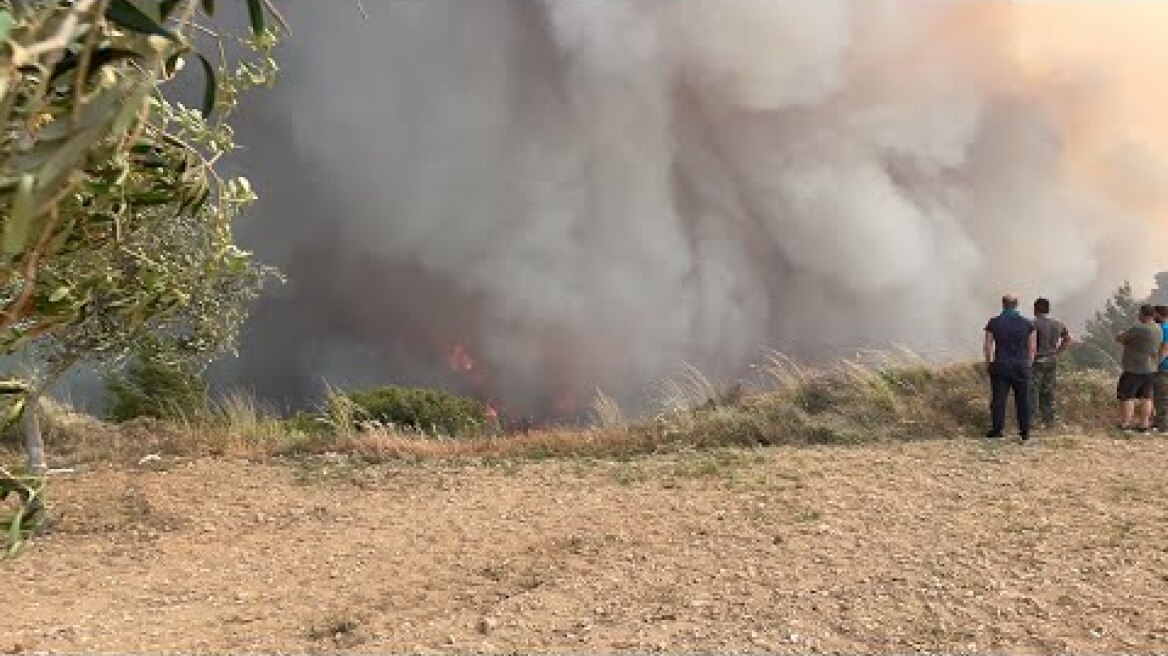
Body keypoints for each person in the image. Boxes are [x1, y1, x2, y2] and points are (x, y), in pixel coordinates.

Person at [984, 293, 1037, 440]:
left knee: (999, 400)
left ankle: (997, 430)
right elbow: (1032, 348)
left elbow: (988, 346)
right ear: (1016, 305)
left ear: (1003, 304)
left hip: (1001, 365)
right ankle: (1025, 431)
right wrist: (1029, 364)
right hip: (1021, 365)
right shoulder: (1027, 324)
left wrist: (988, 364)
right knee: (1023, 399)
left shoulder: (993, 323)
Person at [1115, 304, 1163, 432]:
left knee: (1127, 396)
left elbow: (1121, 338)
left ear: (1142, 314)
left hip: (1134, 367)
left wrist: (1121, 335)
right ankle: (1144, 424)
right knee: (1146, 397)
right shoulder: (1158, 328)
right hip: (1150, 367)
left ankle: (1126, 424)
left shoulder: (1138, 328)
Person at [1030, 297, 1072, 428]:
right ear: (1048, 309)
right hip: (1051, 359)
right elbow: (1068, 339)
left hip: (1036, 359)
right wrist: (1058, 352)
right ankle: (1048, 420)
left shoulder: (1032, 323)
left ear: (1035, 309)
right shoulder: (1058, 324)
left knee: (1032, 390)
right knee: (1048, 390)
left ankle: (1031, 420)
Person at [1153, 306, 1168, 431]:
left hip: (1164, 367)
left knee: (1161, 395)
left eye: (1154, 314)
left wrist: (1157, 364)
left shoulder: (1164, 328)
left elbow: (1164, 348)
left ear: (1159, 314)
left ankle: (1162, 424)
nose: (1153, 317)